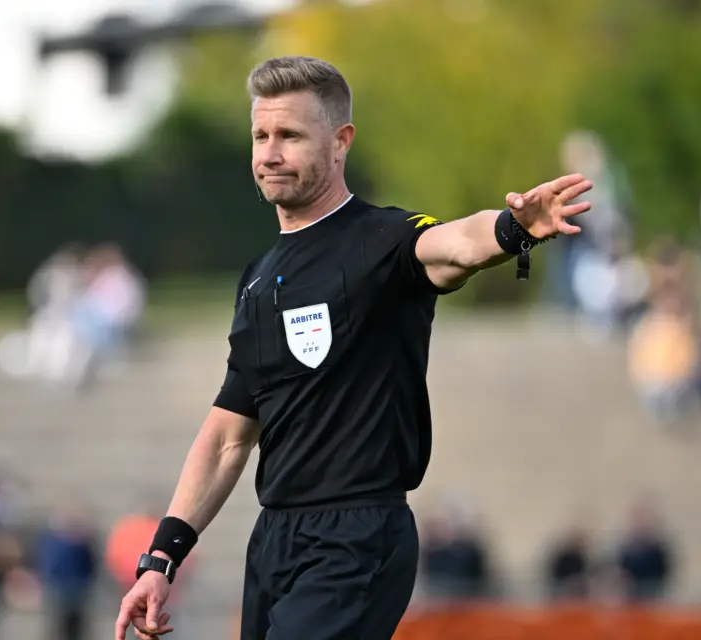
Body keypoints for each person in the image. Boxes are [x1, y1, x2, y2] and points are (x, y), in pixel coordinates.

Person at [113, 55, 592, 640]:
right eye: (260, 135)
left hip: (356, 537)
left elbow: (455, 245)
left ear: (341, 142)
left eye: (289, 135)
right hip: (274, 541)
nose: (269, 153)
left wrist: (512, 229)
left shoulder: (382, 240)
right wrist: (161, 559)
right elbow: (227, 435)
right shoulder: (258, 279)